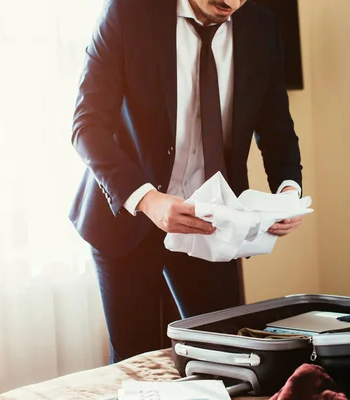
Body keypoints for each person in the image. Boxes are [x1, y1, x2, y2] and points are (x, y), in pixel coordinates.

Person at [69, 0, 304, 363]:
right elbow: (87, 126)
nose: (232, 2)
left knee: (224, 355)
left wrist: (288, 193)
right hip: (127, 217)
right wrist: (148, 199)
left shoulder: (261, 27)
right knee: (138, 364)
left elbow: (277, 130)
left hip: (212, 222)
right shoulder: (128, 12)